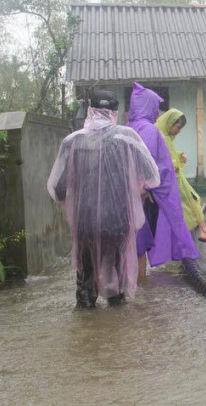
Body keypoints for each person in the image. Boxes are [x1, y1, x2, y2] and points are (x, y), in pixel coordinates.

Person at [47, 90, 160, 308]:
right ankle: (116, 328)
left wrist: (77, 200)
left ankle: (86, 327)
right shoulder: (127, 137)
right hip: (117, 222)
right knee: (116, 280)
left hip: (85, 224)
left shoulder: (73, 141)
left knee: (85, 281)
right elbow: (152, 177)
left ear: (90, 110)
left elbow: (57, 189)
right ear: (115, 113)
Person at [126, 83, 199, 274]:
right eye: (155, 106)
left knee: (129, 245)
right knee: (140, 247)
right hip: (145, 196)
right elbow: (146, 163)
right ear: (148, 105)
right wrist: (146, 189)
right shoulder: (149, 130)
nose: (157, 112)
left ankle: (129, 295)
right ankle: (141, 292)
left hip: (126, 196)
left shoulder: (125, 128)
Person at [156, 109, 206, 242]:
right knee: (188, 204)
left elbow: (169, 157)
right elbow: (163, 160)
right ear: (170, 123)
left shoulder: (165, 137)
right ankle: (195, 236)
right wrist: (175, 163)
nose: (178, 131)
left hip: (174, 178)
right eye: (178, 127)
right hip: (169, 181)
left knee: (192, 202)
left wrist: (178, 157)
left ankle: (199, 232)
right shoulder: (161, 137)